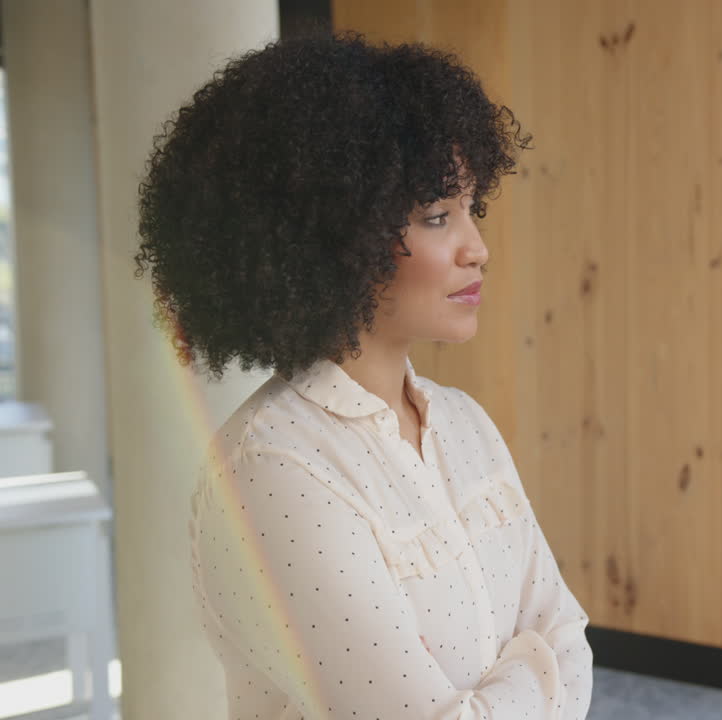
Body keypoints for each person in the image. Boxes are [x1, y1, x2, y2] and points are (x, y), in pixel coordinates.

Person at [134, 32, 593, 719]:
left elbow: (573, 641)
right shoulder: (274, 469)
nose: (478, 248)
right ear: (329, 235)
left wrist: (532, 671)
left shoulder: (464, 423)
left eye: (474, 208)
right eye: (438, 216)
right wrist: (537, 668)